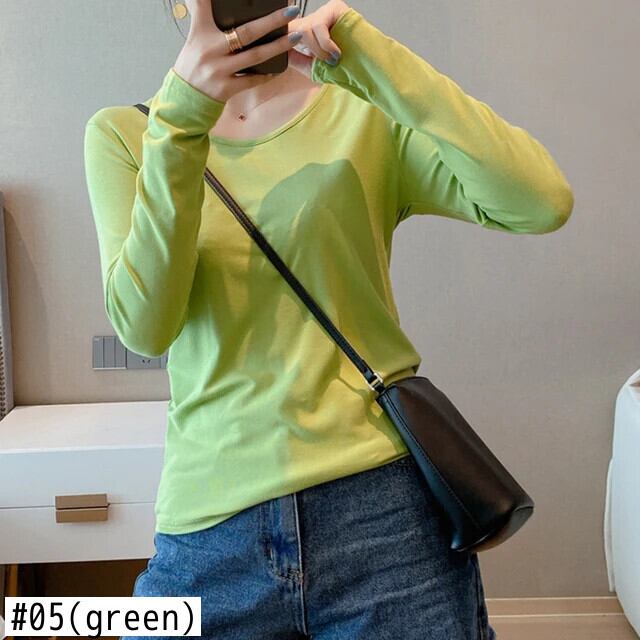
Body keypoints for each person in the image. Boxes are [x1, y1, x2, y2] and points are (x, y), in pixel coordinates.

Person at [83, 0, 574, 637]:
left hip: (383, 510)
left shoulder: (361, 110)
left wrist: (373, 57)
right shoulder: (128, 134)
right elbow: (145, 327)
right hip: (210, 527)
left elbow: (540, 202)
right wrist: (182, 117)